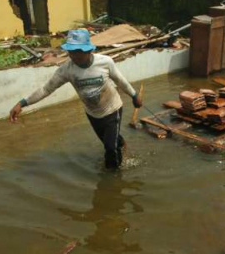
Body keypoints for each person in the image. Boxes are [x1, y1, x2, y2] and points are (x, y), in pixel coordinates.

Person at [9, 29, 142, 169]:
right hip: (93, 114)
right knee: (109, 142)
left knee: (109, 149)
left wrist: (134, 96)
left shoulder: (105, 62)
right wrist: (22, 103)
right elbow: (46, 89)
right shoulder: (67, 70)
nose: (75, 56)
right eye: (71, 52)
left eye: (79, 51)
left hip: (112, 108)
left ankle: (112, 181)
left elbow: (120, 81)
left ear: (88, 50)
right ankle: (120, 144)